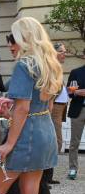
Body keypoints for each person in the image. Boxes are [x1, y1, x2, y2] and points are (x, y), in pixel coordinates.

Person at [0, 17, 63, 194]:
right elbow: (45, 106)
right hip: (45, 132)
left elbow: (23, 109)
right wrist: (11, 112)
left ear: (24, 38)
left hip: (25, 137)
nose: (11, 43)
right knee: (30, 193)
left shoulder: (24, 65)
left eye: (14, 38)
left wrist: (9, 144)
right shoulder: (50, 65)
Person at [44, 42, 69, 184]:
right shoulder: (52, 68)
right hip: (54, 109)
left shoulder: (56, 68)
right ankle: (45, 178)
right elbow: (50, 92)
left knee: (55, 142)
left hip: (60, 108)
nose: (64, 54)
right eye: (62, 51)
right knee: (53, 142)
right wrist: (50, 107)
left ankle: (47, 176)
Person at [66, 61, 85, 180]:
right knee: (74, 142)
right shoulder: (76, 72)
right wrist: (76, 92)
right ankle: (73, 169)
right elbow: (69, 91)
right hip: (79, 110)